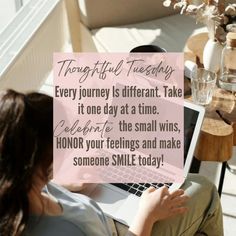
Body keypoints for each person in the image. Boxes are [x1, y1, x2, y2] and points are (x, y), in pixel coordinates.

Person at [0, 90, 223, 236]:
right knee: (204, 189)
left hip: (99, 213)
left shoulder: (15, 190)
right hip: (127, 230)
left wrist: (64, 184)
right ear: (38, 159)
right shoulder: (69, 230)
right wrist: (148, 214)